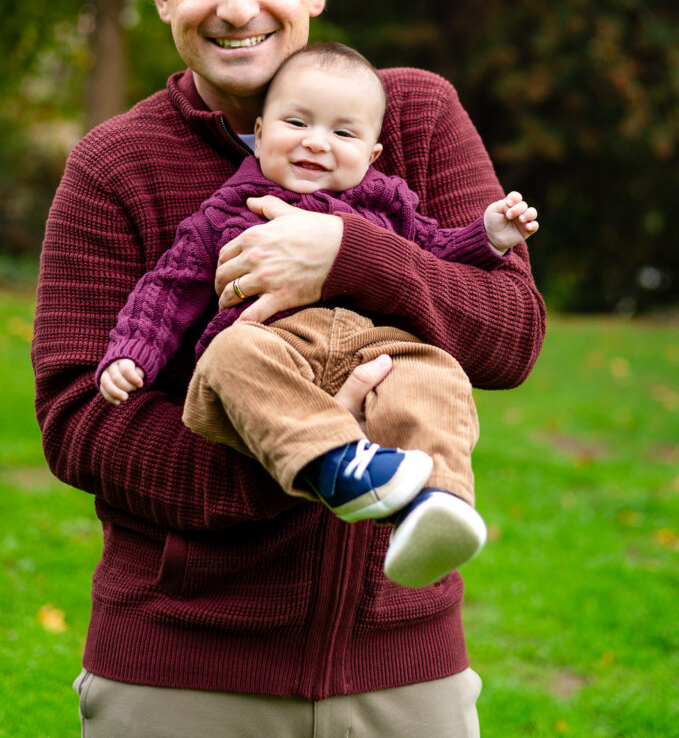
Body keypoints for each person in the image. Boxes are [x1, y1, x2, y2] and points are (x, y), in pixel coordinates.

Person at [32, 0, 545, 737]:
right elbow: (80, 420)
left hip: (401, 665)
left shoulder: (413, 117)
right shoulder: (114, 166)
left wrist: (350, 256)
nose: (238, 9)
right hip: (184, 668)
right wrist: (314, 461)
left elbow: (508, 335)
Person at [97, 41, 539, 589]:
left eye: (343, 133)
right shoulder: (227, 212)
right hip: (271, 346)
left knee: (435, 374)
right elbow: (171, 286)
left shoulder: (387, 206)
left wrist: (487, 236)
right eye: (296, 122)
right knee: (228, 356)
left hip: (375, 347)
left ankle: (438, 503)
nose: (315, 142)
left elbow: (434, 250)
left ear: (372, 155)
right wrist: (132, 353)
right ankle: (336, 464)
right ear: (259, 133)